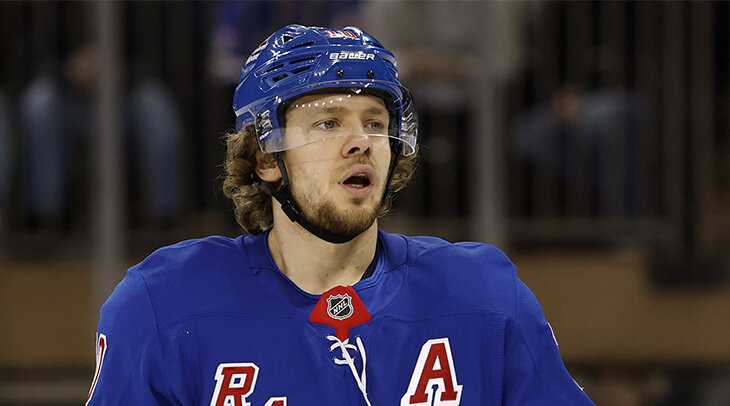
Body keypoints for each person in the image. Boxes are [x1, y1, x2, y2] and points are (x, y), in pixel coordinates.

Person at [87, 25, 595, 405]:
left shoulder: (485, 294)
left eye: (374, 123)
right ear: (265, 158)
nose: (360, 142)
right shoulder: (163, 303)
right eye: (328, 123)